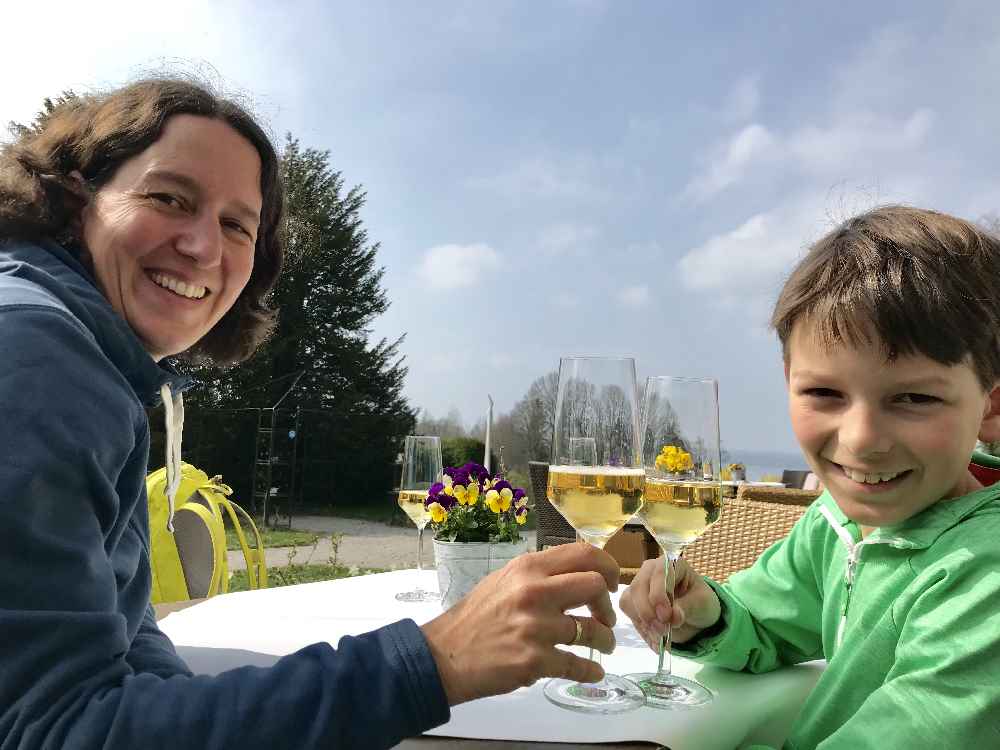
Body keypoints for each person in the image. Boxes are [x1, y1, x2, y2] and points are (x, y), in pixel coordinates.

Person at [0, 79, 620, 749]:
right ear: (73, 196)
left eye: (237, 225)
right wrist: (437, 661)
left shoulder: (78, 349)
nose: (204, 247)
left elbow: (123, 630)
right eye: (168, 197)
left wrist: (184, 702)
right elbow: (57, 730)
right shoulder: (39, 358)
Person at [621, 205, 1000, 749]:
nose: (862, 438)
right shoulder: (835, 520)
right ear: (788, 381)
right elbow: (767, 624)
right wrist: (701, 613)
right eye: (824, 393)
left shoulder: (984, 573)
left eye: (915, 397)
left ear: (990, 405)